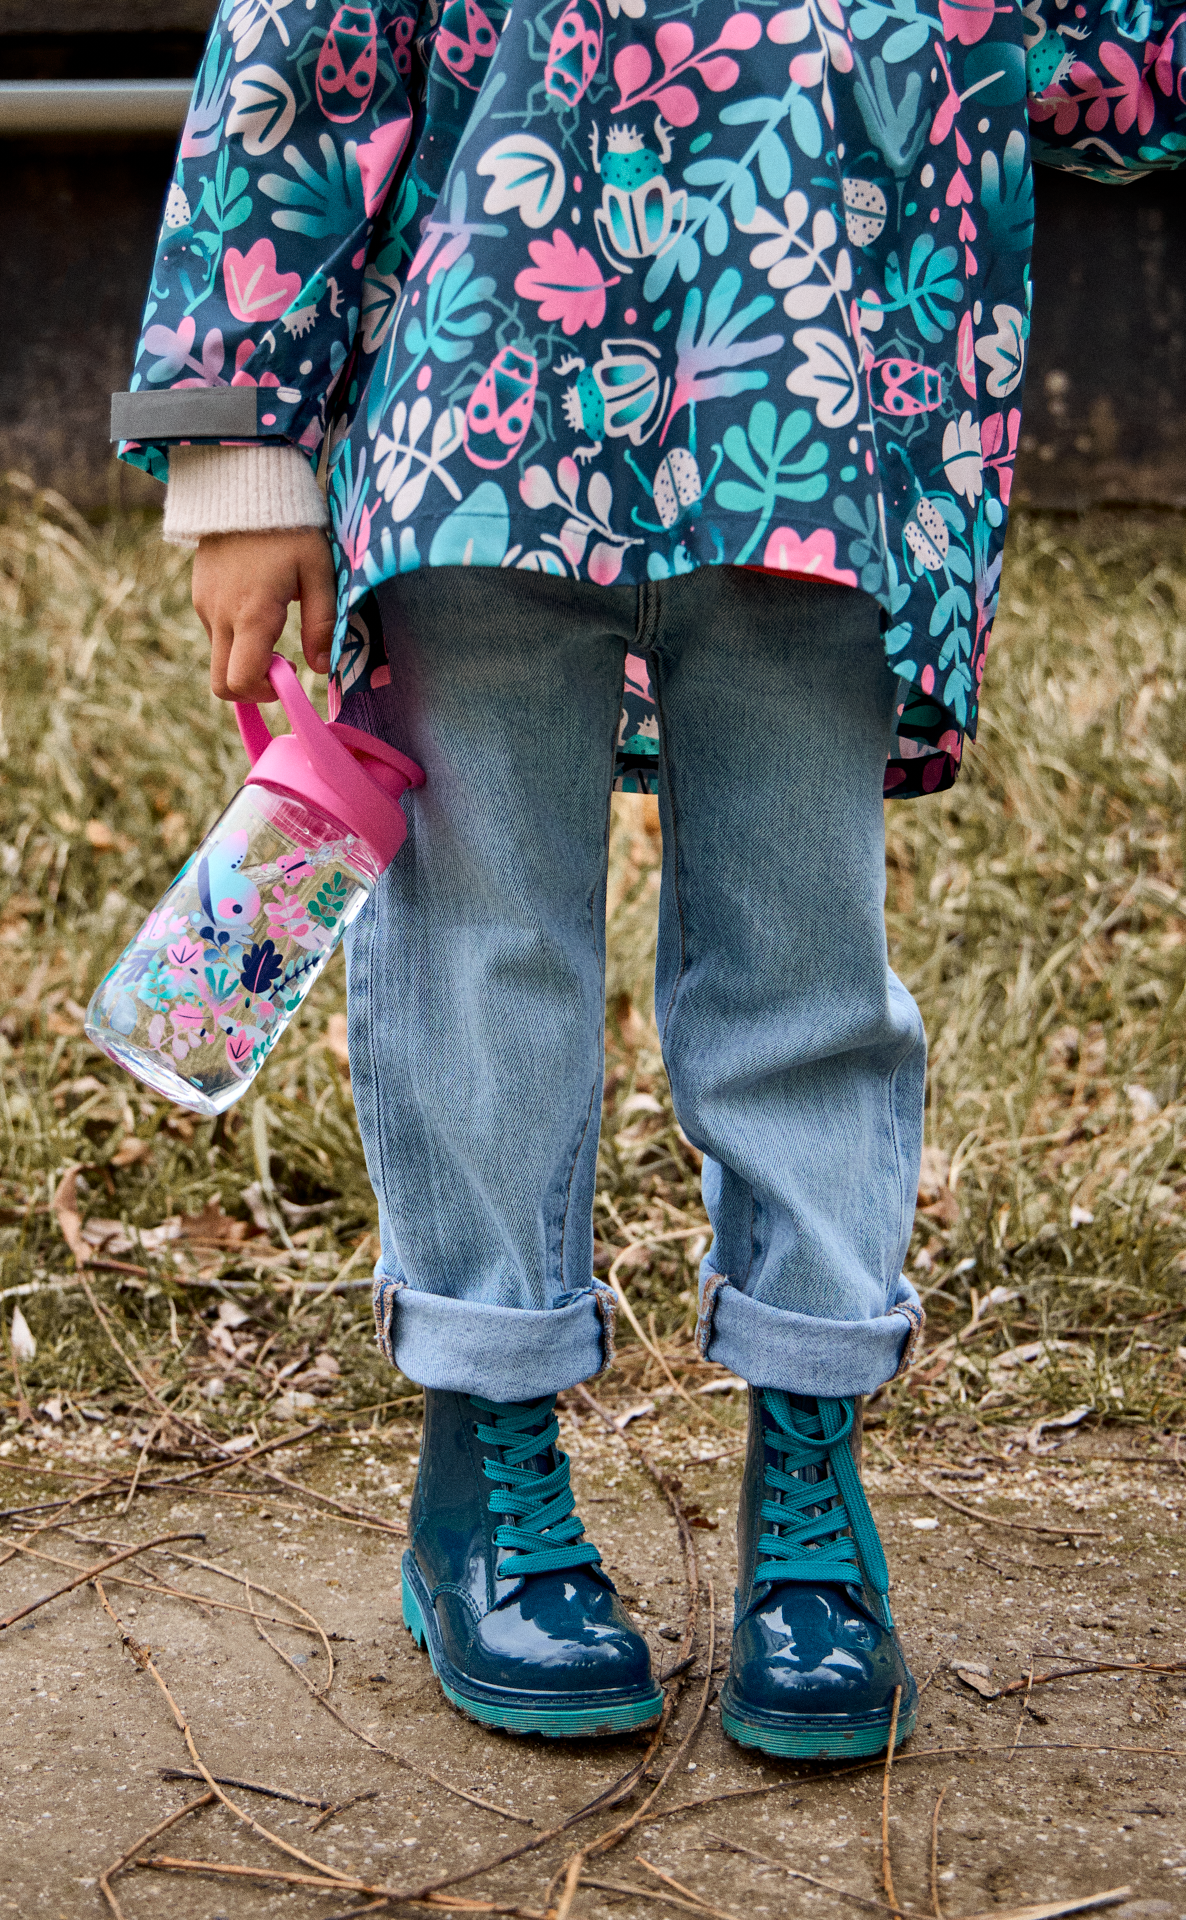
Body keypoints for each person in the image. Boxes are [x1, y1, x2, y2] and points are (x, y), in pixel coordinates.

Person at [110, 0, 1183, 1755]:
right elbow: (301, 61)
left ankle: (811, 1477)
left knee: (804, 973)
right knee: (483, 959)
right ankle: (488, 1457)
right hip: (480, 420)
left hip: (823, 429)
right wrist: (241, 455)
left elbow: (1109, 63)